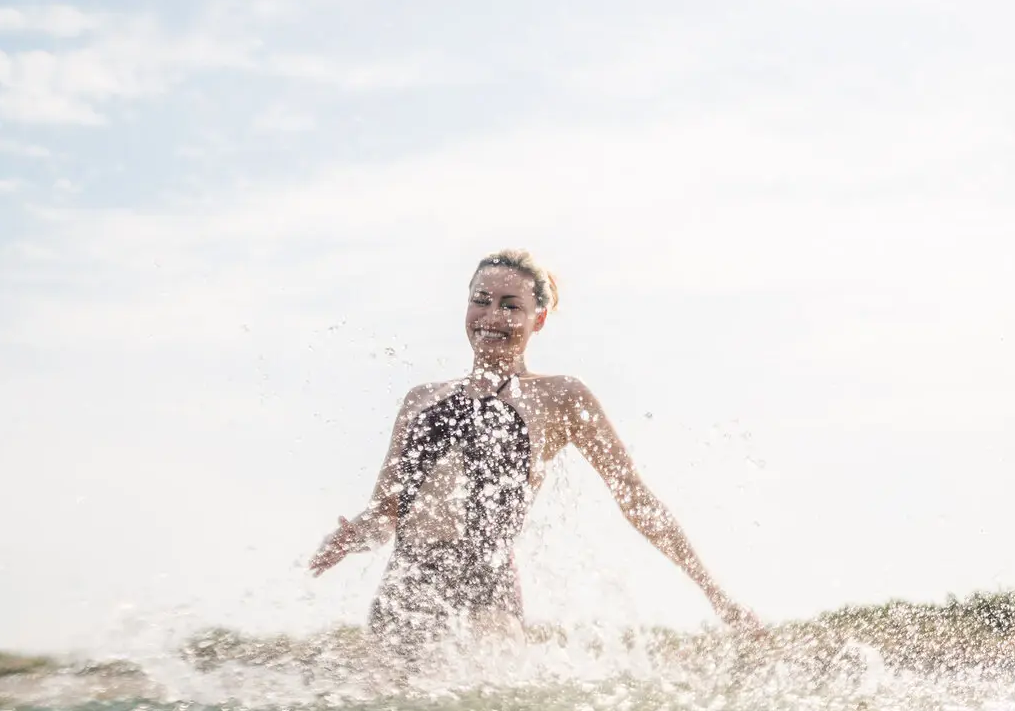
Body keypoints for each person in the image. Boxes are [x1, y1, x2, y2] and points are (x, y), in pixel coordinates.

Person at [309, 249, 757, 659]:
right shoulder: (419, 399)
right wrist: (353, 536)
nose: (492, 316)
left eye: (510, 306)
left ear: (537, 319)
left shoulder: (559, 397)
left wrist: (715, 593)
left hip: (489, 592)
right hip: (406, 592)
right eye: (481, 300)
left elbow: (635, 499)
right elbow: (387, 511)